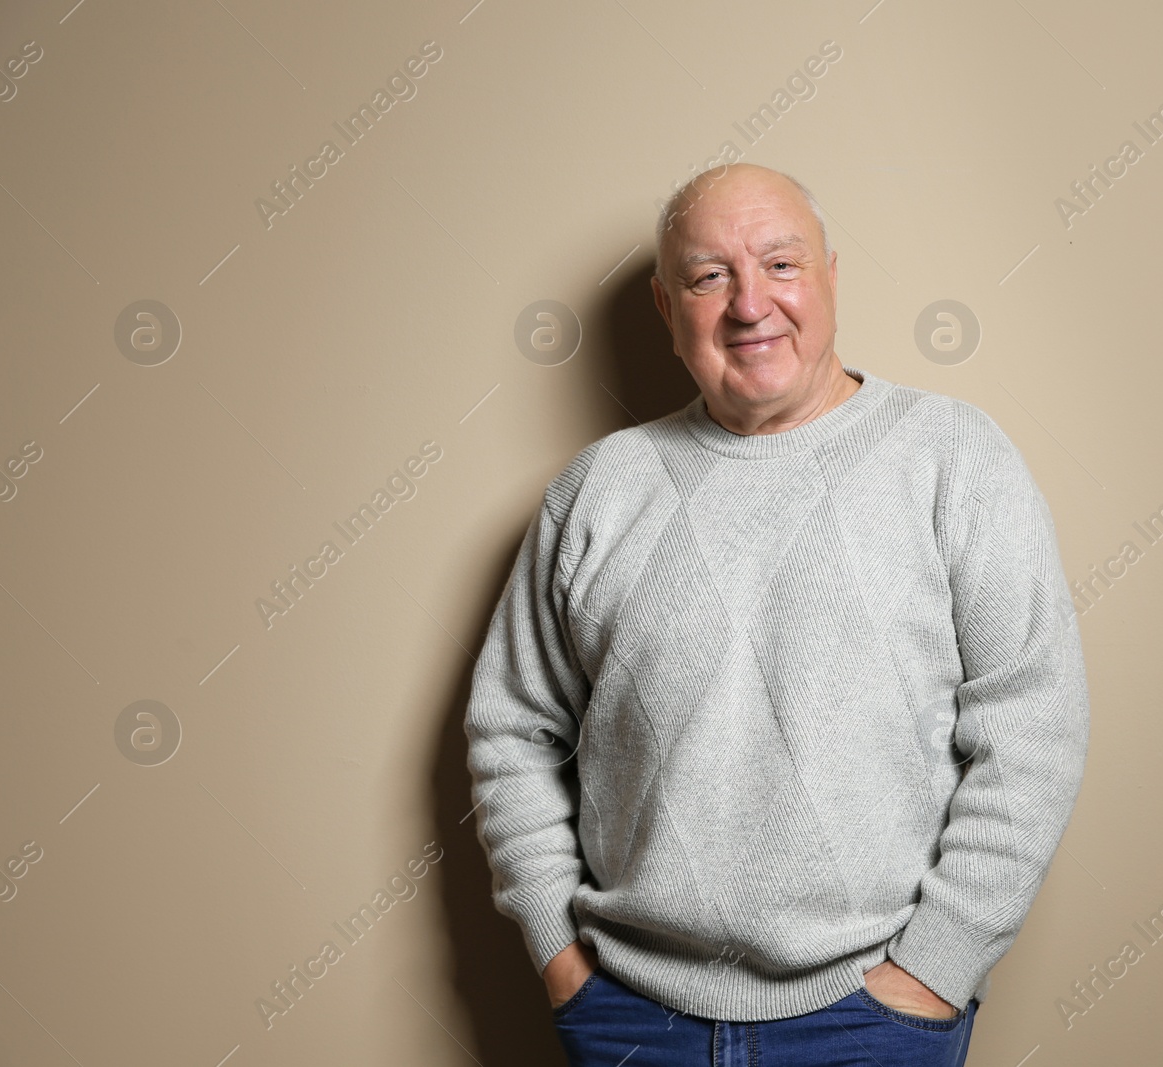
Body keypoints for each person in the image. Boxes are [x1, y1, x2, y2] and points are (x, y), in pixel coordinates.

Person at [463, 162, 1090, 1065]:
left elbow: (1034, 726)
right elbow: (510, 730)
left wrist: (933, 972)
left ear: (832, 276)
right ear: (665, 306)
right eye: (708, 276)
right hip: (633, 1018)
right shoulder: (598, 490)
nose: (750, 304)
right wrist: (563, 960)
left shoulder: (954, 458)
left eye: (781, 266)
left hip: (872, 1020)